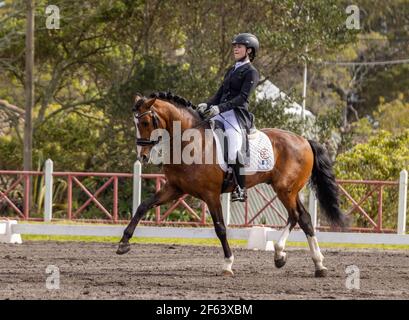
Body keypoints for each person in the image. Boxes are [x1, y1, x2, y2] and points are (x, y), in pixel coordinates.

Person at [197, 33, 260, 202]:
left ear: (249, 50)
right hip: (220, 113)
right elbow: (219, 94)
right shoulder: (231, 69)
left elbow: (242, 98)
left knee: (233, 152)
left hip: (236, 117)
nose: (235, 49)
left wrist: (219, 108)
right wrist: (207, 105)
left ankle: (240, 188)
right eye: (235, 46)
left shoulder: (251, 72)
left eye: (239, 46)